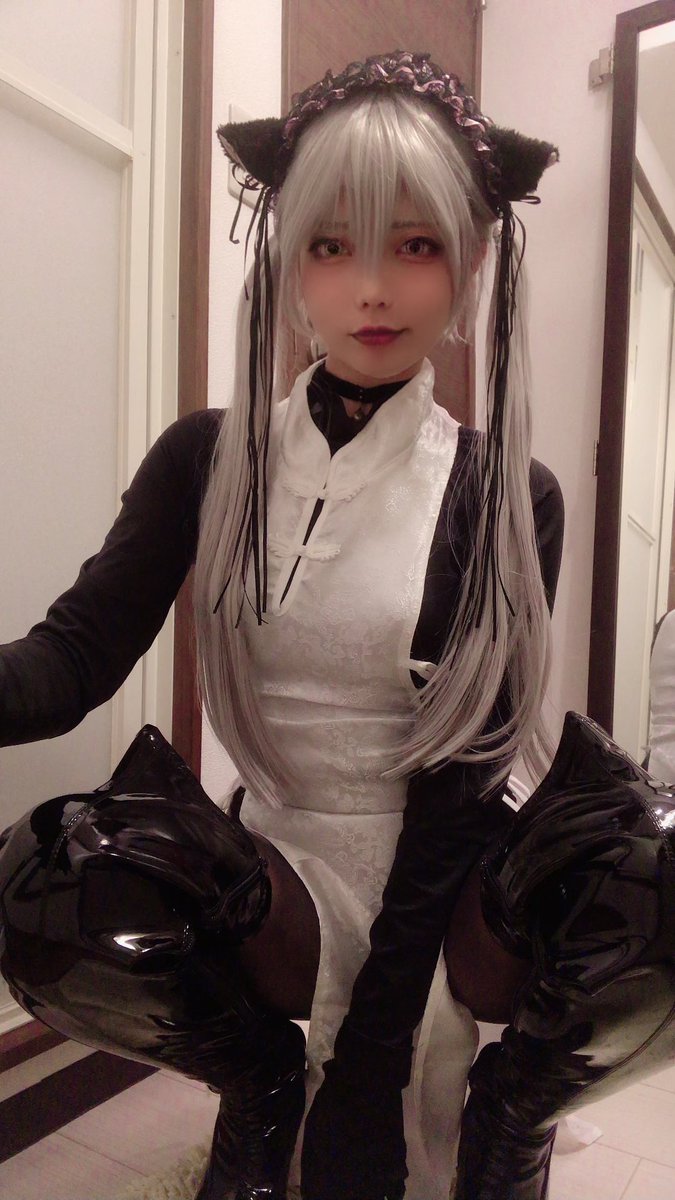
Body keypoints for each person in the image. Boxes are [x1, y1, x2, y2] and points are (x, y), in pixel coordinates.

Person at [2, 50, 674, 1200]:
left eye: (414, 246)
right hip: (280, 872)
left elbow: (461, 788)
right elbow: (69, 661)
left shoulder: (506, 492)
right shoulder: (206, 457)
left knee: (656, 869)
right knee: (48, 873)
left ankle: (512, 1117)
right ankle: (260, 1083)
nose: (372, 288)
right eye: (331, 245)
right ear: (288, 261)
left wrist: (371, 1058)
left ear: (470, 260)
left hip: (445, 883)